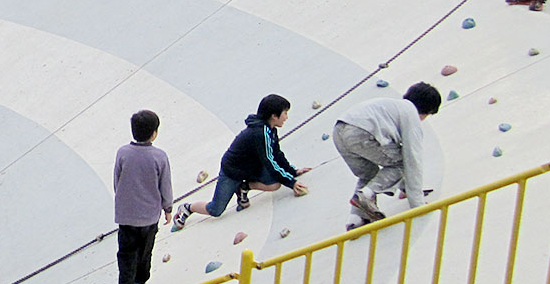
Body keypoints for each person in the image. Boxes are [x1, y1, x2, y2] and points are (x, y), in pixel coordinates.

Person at [171, 94, 310, 232]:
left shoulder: (270, 130)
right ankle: (187, 208)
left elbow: (277, 154)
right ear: (274, 116)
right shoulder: (260, 133)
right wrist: (292, 183)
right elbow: (270, 162)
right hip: (233, 171)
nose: (286, 117)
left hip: (251, 168)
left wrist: (293, 172)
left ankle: (243, 187)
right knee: (215, 210)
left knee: (275, 184)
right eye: (285, 113)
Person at [334, 82, 441, 231]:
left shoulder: (391, 106)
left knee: (368, 174)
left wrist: (405, 188)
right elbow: (412, 159)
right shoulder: (411, 113)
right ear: (426, 111)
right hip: (363, 132)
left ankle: (356, 219)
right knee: (401, 162)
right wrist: (417, 202)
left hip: (339, 130)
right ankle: (367, 194)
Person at [113, 110, 173, 284]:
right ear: (154, 133)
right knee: (146, 249)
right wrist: (168, 207)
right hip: (149, 216)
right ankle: (140, 281)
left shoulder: (122, 153)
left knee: (126, 252)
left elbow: (117, 181)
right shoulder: (160, 157)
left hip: (127, 215)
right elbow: (165, 184)